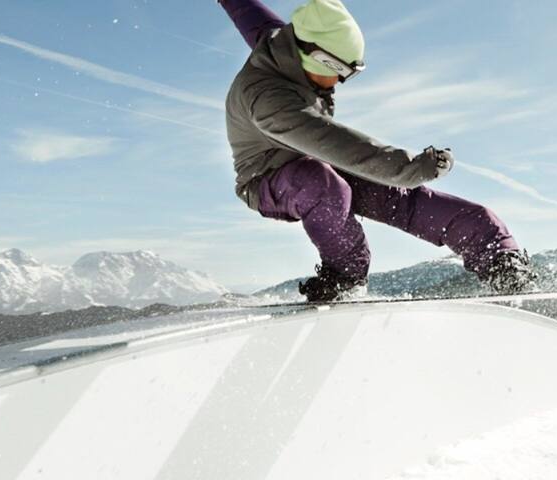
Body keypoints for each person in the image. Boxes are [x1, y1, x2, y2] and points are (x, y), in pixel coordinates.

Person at [218, 0, 534, 302]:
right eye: (342, 70)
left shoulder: (285, 42)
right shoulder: (269, 101)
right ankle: (345, 278)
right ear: (318, 58)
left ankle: (497, 255)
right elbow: (341, 146)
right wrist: (411, 167)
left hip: (313, 159)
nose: (341, 80)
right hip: (267, 180)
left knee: (396, 195)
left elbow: (247, 12)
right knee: (323, 184)